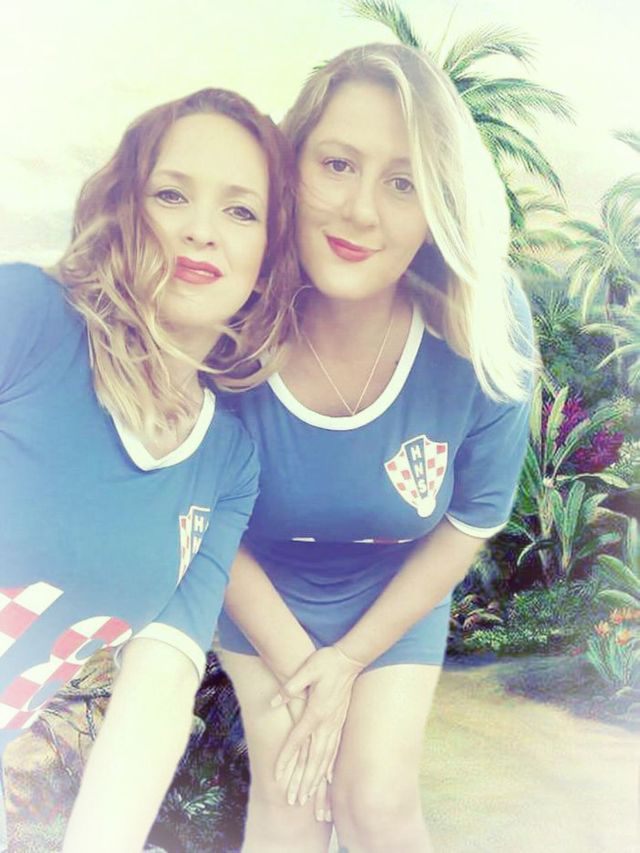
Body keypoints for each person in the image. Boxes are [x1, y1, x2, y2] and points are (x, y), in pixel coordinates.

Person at [218, 43, 537, 853]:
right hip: (254, 581)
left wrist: (351, 659)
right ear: (291, 167)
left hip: (395, 584)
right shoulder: (230, 312)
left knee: (377, 800)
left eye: (404, 182)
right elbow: (197, 512)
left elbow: (472, 518)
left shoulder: (484, 323)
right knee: (293, 798)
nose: (361, 211)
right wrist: (308, 673)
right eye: (337, 164)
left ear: (439, 204)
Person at [0, 87, 297, 852]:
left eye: (240, 210)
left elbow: (161, 681)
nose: (201, 229)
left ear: (270, 254)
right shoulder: (26, 318)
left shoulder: (225, 461)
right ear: (126, 207)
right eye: (171, 195)